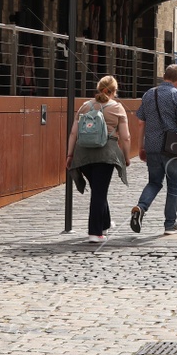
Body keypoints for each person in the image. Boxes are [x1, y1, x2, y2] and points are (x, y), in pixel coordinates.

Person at [129, 64, 177, 235]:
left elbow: (140, 122)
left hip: (151, 145)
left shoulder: (149, 94)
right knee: (174, 185)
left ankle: (141, 207)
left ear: (164, 76)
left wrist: (140, 146)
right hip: (172, 147)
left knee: (154, 182)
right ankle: (170, 224)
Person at [66, 75, 131, 243]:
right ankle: (95, 232)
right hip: (105, 155)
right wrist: (126, 157)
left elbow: (74, 133)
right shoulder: (117, 108)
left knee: (98, 190)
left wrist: (70, 155)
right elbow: (126, 137)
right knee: (99, 193)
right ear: (114, 91)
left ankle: (105, 221)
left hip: (83, 154)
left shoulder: (84, 107)